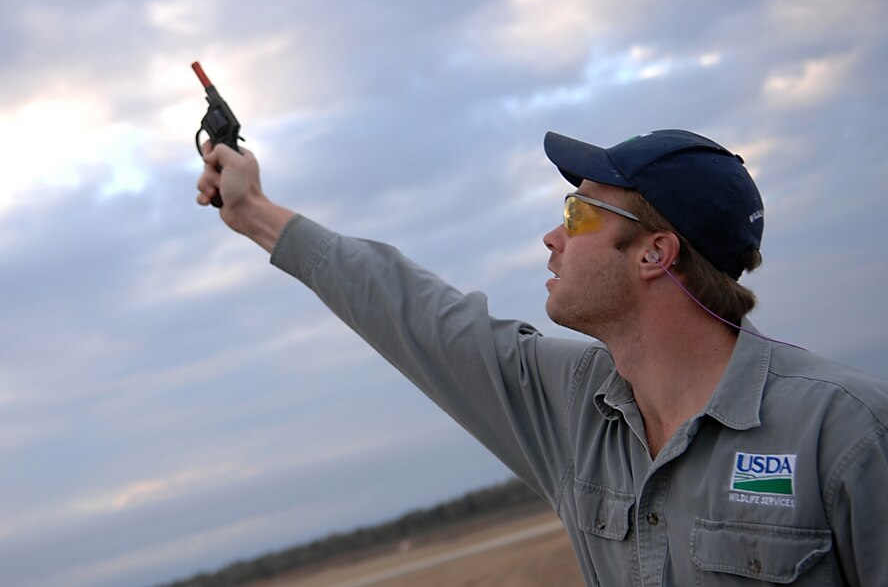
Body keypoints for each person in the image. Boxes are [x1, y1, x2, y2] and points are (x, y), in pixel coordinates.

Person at [196, 129, 888, 586]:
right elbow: (412, 312)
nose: (552, 237)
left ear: (655, 253)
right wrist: (252, 210)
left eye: (579, 214)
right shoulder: (571, 408)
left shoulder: (845, 432)